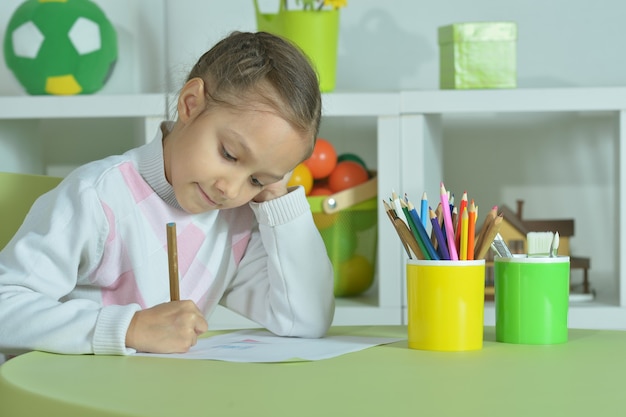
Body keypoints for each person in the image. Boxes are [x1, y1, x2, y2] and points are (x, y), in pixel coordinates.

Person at [0, 31, 335, 356]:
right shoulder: (98, 197)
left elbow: (305, 319)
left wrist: (278, 199)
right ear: (191, 104)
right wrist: (129, 328)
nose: (230, 189)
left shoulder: (236, 221)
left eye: (257, 180)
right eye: (229, 155)